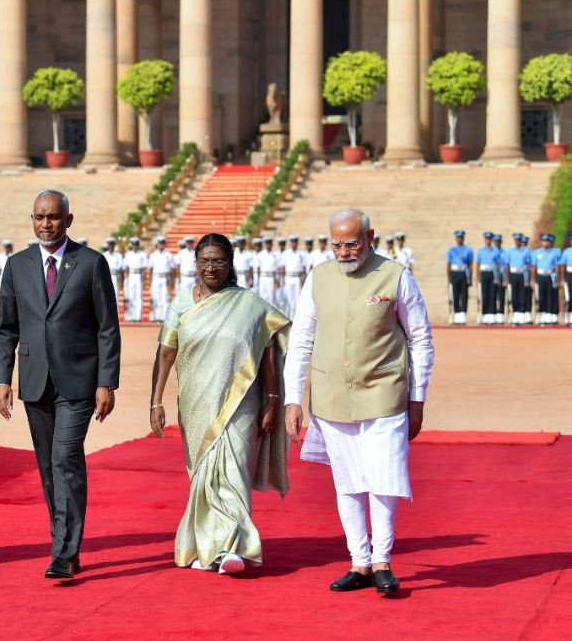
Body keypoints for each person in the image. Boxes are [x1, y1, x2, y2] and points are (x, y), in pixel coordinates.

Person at [285, 208, 434, 594]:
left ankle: (383, 560)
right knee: (348, 483)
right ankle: (359, 562)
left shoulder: (396, 276)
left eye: (351, 243)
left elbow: (420, 338)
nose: (344, 252)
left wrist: (417, 398)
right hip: (332, 396)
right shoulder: (317, 277)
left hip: (384, 394)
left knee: (384, 477)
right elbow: (301, 340)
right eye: (336, 244)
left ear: (370, 238)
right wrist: (292, 399)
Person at [0, 189, 121, 580]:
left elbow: (106, 328)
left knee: (65, 458)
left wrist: (106, 382)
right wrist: (2, 378)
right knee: (49, 465)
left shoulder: (91, 263)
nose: (45, 224)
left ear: (69, 220)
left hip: (78, 382)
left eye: (52, 217)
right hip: (35, 382)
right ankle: (63, 539)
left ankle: (64, 552)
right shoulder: (16, 266)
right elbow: (6, 329)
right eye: (39, 217)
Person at [150, 233, 290, 575]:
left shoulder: (250, 305)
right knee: (203, 478)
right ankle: (205, 547)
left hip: (241, 403)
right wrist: (155, 401)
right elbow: (166, 353)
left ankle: (233, 546)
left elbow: (269, 349)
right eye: (205, 261)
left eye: (219, 261)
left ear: (231, 264)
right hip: (196, 403)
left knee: (233, 473)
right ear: (196, 264)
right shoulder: (182, 303)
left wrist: (272, 400)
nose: (211, 267)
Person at [533, 234, 561, 325]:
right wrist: (533, 279)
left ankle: (549, 315)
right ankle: (542, 315)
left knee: (550, 295)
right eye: (544, 241)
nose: (545, 243)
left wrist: (557, 278)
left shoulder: (554, 252)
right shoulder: (537, 252)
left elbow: (557, 266)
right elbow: (534, 266)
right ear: (541, 242)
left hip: (550, 276)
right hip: (540, 275)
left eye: (547, 241)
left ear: (549, 242)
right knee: (541, 296)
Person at [446, 230, 473, 325]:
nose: (459, 240)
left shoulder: (468, 249)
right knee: (455, 294)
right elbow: (448, 264)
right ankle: (457, 313)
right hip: (454, 273)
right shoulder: (451, 250)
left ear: (463, 239)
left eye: (461, 238)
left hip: (463, 272)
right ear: (456, 239)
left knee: (464, 294)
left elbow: (470, 264)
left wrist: (470, 277)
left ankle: (463, 314)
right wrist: (449, 277)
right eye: (458, 238)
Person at [280, 235, 308, 318]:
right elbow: (282, 268)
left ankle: (297, 318)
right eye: (292, 242)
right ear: (290, 243)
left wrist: (303, 281)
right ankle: (290, 317)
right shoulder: (286, 253)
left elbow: (303, 269)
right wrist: (282, 281)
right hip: (288, 278)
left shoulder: (301, 253)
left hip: (297, 278)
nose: (293, 244)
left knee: (297, 299)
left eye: (295, 242)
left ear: (297, 243)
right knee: (289, 299)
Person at [148, 236, 174, 322]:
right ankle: (156, 317)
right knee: (156, 297)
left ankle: (164, 317)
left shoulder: (168, 255)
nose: (161, 245)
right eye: (159, 244)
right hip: (156, 278)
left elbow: (172, 269)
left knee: (165, 298)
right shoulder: (153, 255)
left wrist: (172, 280)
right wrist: (150, 280)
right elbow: (150, 269)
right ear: (157, 244)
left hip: (165, 278)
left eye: (162, 244)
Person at [476, 232, 500, 324]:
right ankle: (485, 314)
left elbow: (498, 265)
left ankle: (492, 314)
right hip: (484, 272)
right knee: (484, 294)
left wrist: (497, 277)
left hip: (492, 273)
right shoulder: (480, 250)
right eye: (486, 239)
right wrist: (477, 277)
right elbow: (477, 264)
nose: (488, 241)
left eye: (489, 239)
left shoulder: (495, 250)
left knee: (492, 294)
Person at [505, 233, 529, 325]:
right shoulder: (510, 251)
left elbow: (528, 265)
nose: (517, 242)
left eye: (519, 240)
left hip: (522, 274)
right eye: (516, 240)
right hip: (513, 274)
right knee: (514, 295)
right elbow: (507, 265)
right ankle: (515, 314)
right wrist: (507, 278)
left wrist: (528, 278)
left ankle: (521, 314)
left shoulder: (525, 251)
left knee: (522, 295)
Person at [123, 237, 147, 322]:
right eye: (133, 245)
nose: (135, 246)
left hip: (138, 275)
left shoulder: (142, 254)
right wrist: (126, 278)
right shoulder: (128, 254)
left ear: (138, 245)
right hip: (131, 275)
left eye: (136, 245)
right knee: (131, 296)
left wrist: (143, 278)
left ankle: (138, 316)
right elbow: (126, 267)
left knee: (138, 296)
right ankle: (131, 316)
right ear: (131, 245)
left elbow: (144, 267)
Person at [255, 236, 281, 309]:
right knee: (263, 297)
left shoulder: (276, 255)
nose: (268, 245)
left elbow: (278, 269)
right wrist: (258, 280)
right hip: (263, 277)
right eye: (266, 243)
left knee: (272, 298)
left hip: (271, 278)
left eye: (269, 243)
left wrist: (277, 280)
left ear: (271, 244)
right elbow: (258, 268)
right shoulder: (260, 254)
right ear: (265, 244)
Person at [102, 237, 124, 312]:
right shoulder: (104, 255)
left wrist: (121, 280)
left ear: (114, 246)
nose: (111, 247)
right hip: (106, 276)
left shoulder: (118, 256)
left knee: (115, 295)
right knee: (105, 295)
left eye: (112, 245)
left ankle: (115, 314)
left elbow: (120, 269)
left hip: (114, 276)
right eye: (110, 245)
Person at [492, 233, 506, 324]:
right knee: (492, 295)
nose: (497, 243)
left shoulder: (504, 252)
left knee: (501, 295)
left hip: (502, 274)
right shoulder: (491, 251)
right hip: (492, 275)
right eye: (496, 241)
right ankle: (492, 313)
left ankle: (500, 314)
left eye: (499, 241)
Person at [562, 236, 572, 325]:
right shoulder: (567, 251)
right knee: (569, 297)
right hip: (569, 274)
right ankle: (567, 317)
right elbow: (563, 266)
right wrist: (563, 278)